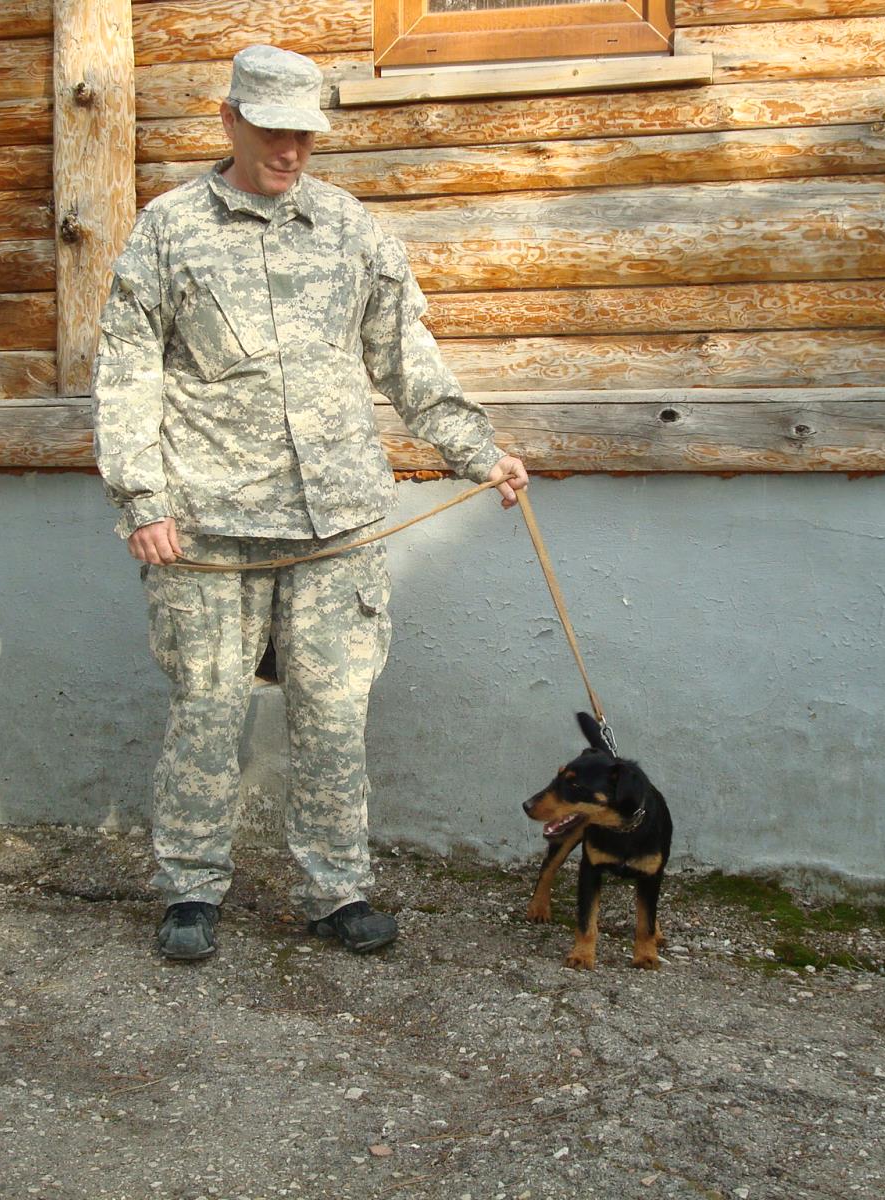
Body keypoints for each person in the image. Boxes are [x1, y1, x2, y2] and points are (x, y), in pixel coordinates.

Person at [93, 44, 528, 961]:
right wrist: (142, 498)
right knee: (207, 712)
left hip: (336, 527)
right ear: (230, 121)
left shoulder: (348, 227)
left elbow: (405, 354)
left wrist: (478, 451)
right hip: (209, 527)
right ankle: (190, 890)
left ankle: (336, 891)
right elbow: (128, 373)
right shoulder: (168, 229)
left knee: (334, 715)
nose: (290, 151)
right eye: (272, 131)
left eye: (305, 134)